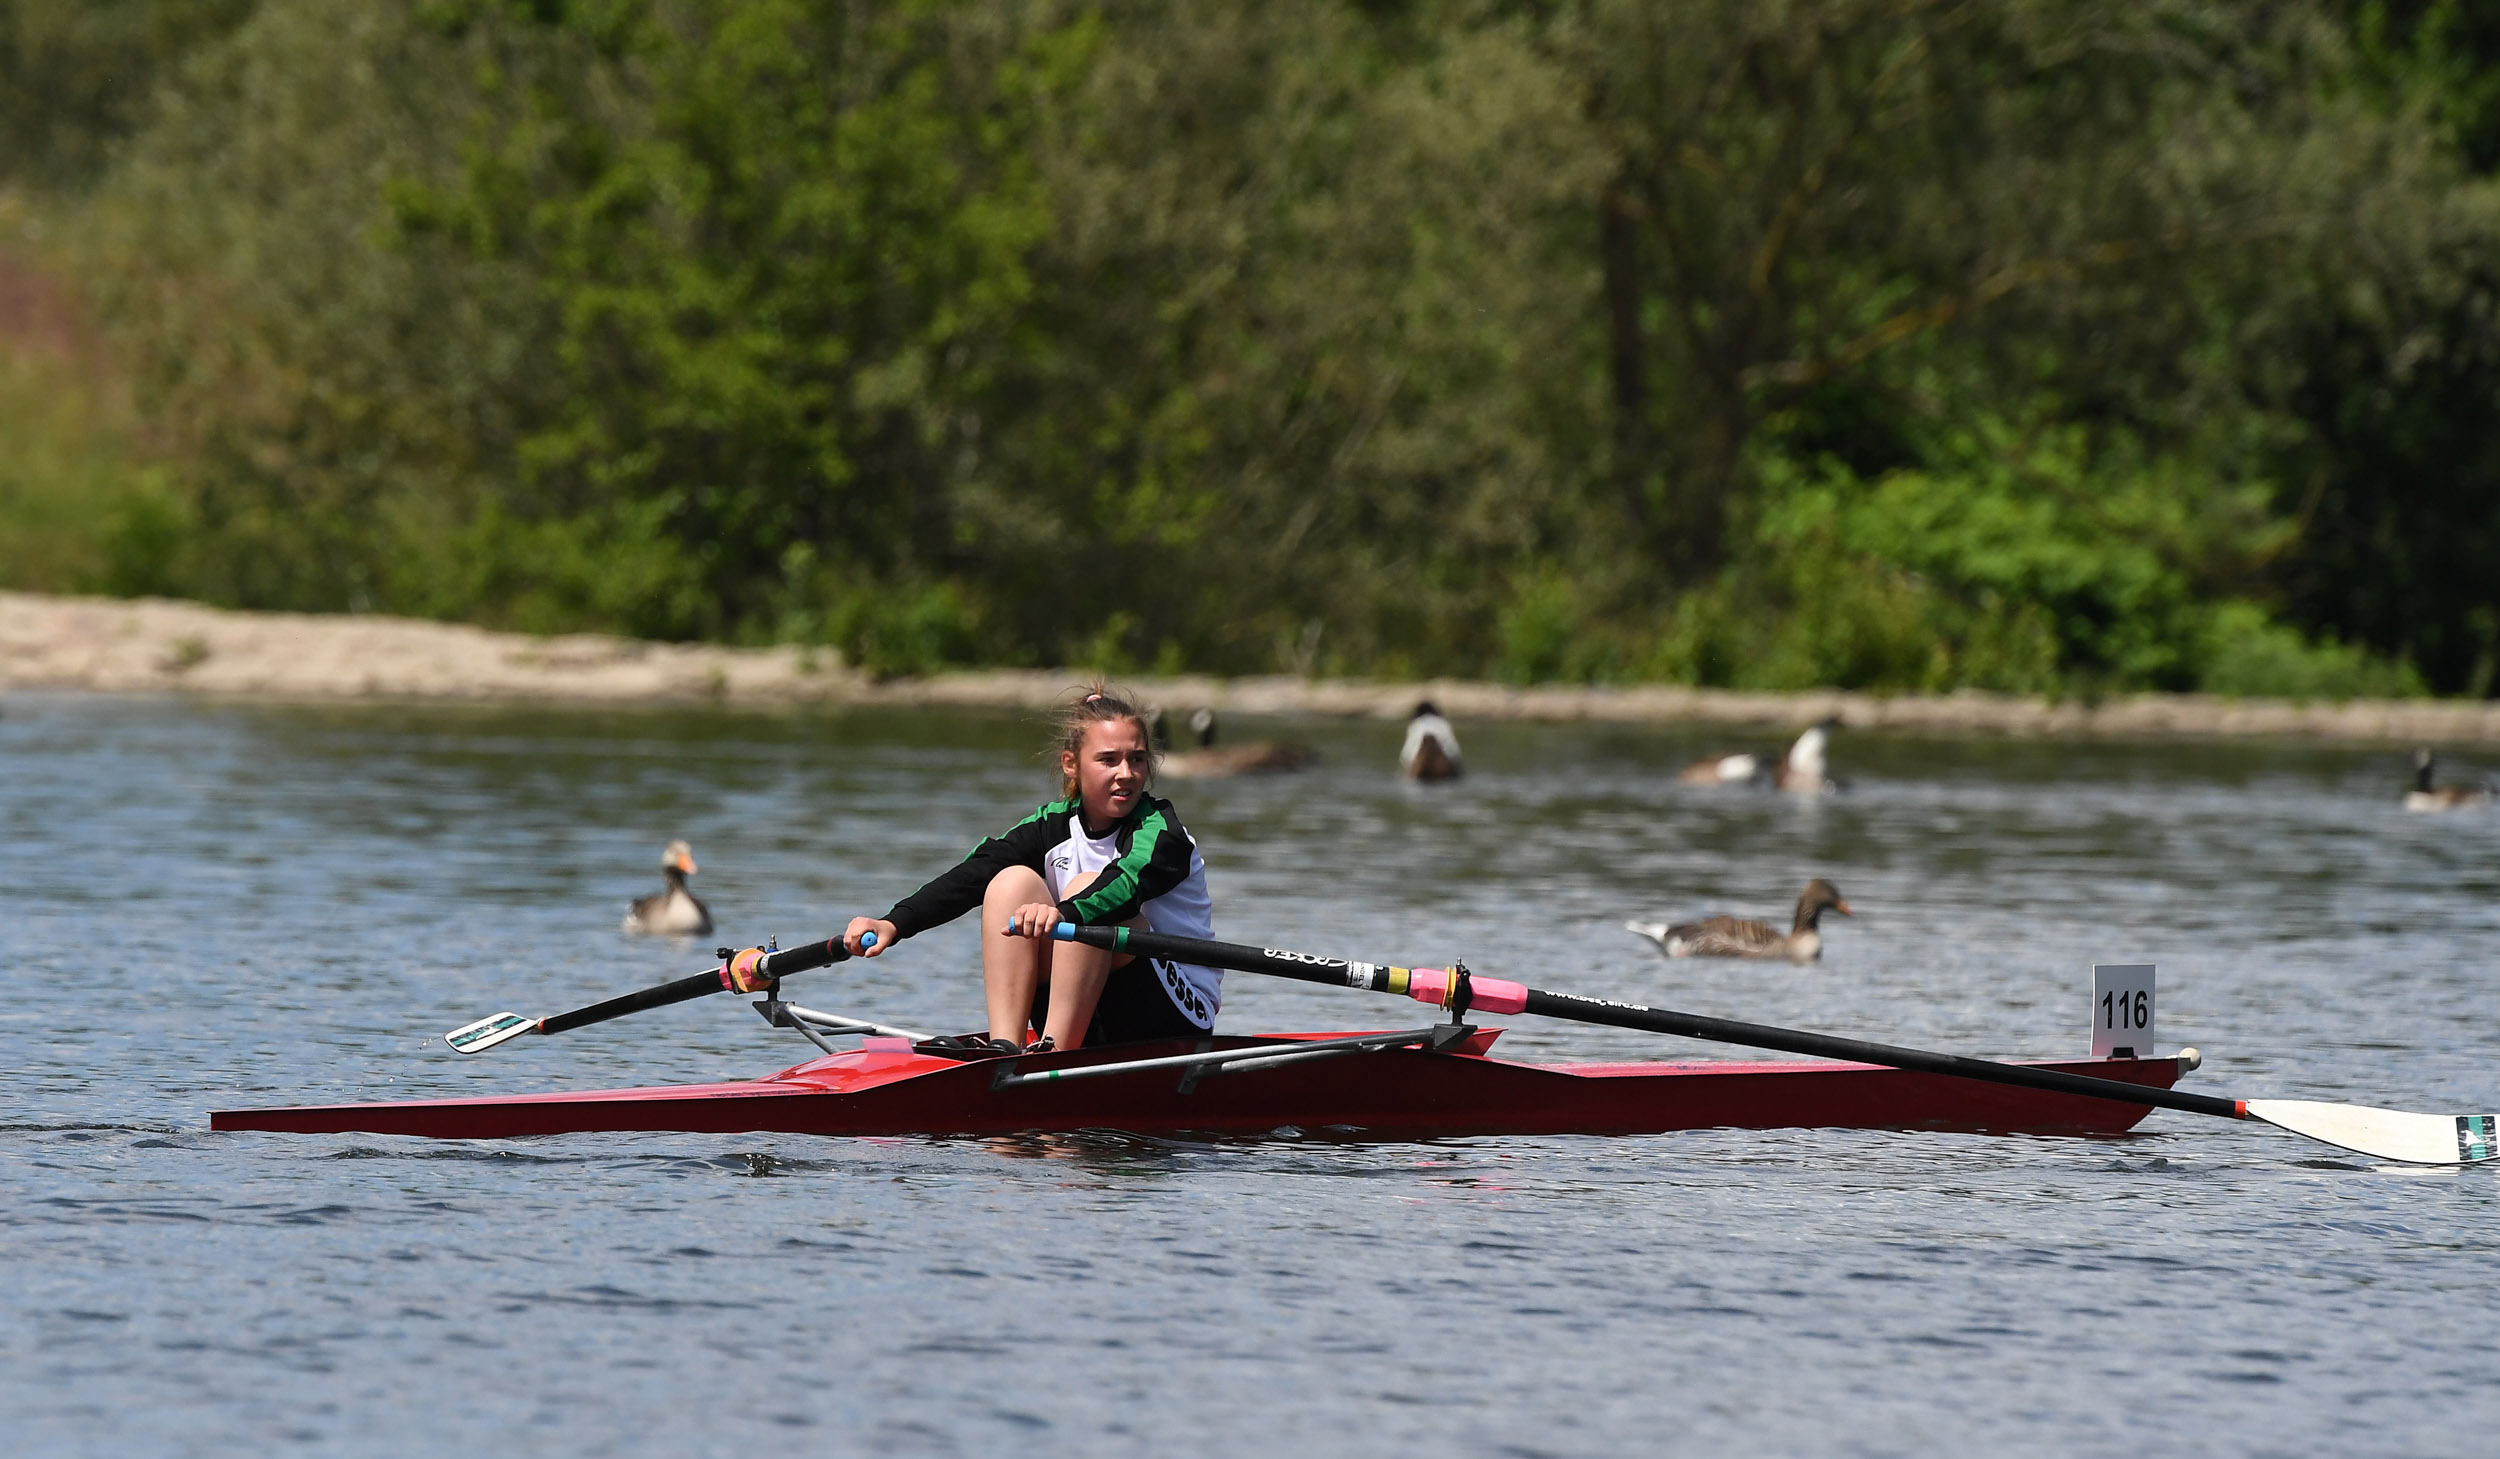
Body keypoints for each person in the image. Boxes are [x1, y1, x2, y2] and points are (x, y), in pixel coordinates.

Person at [839, 684, 1222, 1054]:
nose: (1126, 773)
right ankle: (1006, 1046)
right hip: (1091, 993)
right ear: (1071, 764)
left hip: (1176, 1014)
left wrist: (1061, 916)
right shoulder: (1050, 826)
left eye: (1136, 759)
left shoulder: (1162, 832)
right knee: (1009, 883)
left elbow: (1124, 887)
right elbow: (972, 874)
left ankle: (1053, 1055)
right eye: (1108, 760)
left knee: (1089, 891)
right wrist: (894, 923)